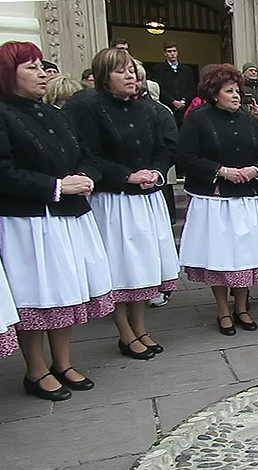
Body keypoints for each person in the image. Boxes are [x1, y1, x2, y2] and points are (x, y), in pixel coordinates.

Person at [0, 41, 114, 400]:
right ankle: (35, 370)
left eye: (40, 66)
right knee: (35, 293)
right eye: (30, 67)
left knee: (64, 290)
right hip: (28, 220)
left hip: (66, 216)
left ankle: (62, 362)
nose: (41, 73)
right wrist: (56, 186)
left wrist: (88, 178)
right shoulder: (2, 114)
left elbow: (88, 154)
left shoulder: (55, 114)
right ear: (8, 74)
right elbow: (4, 172)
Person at [63, 47, 180, 360]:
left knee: (141, 268)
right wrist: (127, 175)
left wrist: (155, 172)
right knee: (119, 268)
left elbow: (162, 146)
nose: (130, 76)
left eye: (132, 70)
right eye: (121, 71)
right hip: (113, 200)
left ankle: (140, 327)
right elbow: (88, 154)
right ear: (104, 77)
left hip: (146, 197)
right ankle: (124, 333)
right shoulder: (87, 106)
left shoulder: (144, 107)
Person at [177, 64, 258, 335]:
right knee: (219, 257)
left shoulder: (252, 121)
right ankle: (223, 310)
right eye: (229, 91)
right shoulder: (198, 119)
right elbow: (185, 157)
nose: (236, 96)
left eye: (237, 90)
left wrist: (253, 170)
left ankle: (242, 307)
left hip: (247, 200)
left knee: (246, 256)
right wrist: (221, 171)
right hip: (215, 202)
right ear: (214, 93)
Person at [132, 59, 179, 308]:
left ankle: (157, 286)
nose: (132, 81)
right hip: (120, 192)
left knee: (154, 244)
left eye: (135, 76)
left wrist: (156, 171)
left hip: (152, 187)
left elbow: (169, 146)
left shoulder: (158, 111)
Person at [151, 41, 195, 126]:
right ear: (165, 53)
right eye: (169, 51)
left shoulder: (187, 70)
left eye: (174, 51)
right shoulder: (158, 69)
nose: (172, 54)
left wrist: (184, 101)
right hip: (167, 108)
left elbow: (192, 88)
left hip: (185, 110)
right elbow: (158, 88)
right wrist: (172, 101)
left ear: (177, 52)